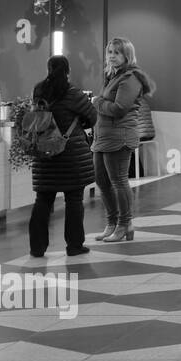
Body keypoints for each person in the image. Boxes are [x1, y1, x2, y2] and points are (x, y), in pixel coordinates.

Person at [28, 55, 97, 257]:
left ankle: (37, 248)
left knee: (43, 200)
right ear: (67, 70)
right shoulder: (73, 92)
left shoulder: (39, 90)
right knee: (74, 200)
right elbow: (92, 116)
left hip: (45, 154)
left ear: (48, 69)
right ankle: (74, 246)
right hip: (71, 155)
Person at [91, 37, 157, 244]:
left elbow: (119, 109)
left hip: (120, 136)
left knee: (118, 181)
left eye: (116, 53)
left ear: (126, 55)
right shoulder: (112, 76)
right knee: (102, 181)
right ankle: (111, 223)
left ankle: (125, 224)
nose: (111, 56)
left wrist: (98, 101)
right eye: (109, 52)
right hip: (103, 136)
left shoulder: (130, 78)